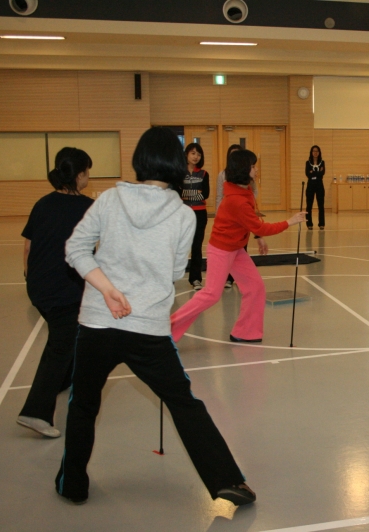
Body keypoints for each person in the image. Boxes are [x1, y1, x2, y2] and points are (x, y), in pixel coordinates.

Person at [56, 127, 255, 507]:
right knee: (183, 402)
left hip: (97, 322)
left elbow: (75, 249)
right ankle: (227, 481)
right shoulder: (183, 215)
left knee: (82, 404)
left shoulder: (109, 199)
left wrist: (108, 288)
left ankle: (72, 484)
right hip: (147, 328)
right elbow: (176, 271)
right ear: (177, 164)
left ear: (140, 159)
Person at [170, 149, 305, 343]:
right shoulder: (237, 200)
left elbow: (251, 222)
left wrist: (258, 236)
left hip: (236, 249)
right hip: (222, 250)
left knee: (255, 287)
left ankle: (245, 331)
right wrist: (290, 221)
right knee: (211, 294)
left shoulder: (243, 190)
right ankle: (166, 330)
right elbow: (259, 225)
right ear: (243, 169)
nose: (256, 169)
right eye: (253, 166)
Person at [17, 147, 94, 438]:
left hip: (38, 286)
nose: (88, 176)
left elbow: (28, 247)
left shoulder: (43, 203)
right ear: (79, 175)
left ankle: (64, 380)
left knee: (68, 334)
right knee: (61, 345)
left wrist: (31, 278)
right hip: (64, 290)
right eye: (87, 171)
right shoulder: (87, 207)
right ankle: (35, 412)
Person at [181, 143, 210, 290]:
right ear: (186, 154)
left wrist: (186, 194)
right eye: (193, 153)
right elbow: (177, 193)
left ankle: (196, 279)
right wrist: (194, 194)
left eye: (198, 154)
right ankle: (171, 277)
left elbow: (205, 194)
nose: (196, 157)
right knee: (179, 246)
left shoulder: (204, 174)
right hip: (183, 213)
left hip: (200, 213)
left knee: (196, 246)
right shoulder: (179, 172)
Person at [216, 143, 242, 289]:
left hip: (241, 216)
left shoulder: (246, 175)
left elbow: (253, 193)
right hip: (227, 217)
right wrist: (219, 215)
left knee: (241, 248)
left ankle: (239, 277)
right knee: (227, 248)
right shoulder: (223, 174)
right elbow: (219, 196)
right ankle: (227, 278)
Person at [304, 145, 325, 230]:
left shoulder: (322, 162)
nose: (315, 152)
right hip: (310, 186)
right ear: (311, 152)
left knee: (321, 206)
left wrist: (313, 172)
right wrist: (317, 173)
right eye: (314, 151)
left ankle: (321, 224)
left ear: (319, 152)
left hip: (319, 185)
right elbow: (308, 174)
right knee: (309, 206)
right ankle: (309, 224)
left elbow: (322, 174)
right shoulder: (307, 163)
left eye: (317, 151)